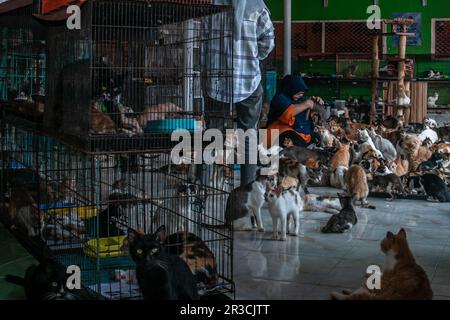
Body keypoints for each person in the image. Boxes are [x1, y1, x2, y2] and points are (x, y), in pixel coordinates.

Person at [205, 0, 275, 186]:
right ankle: (247, 189)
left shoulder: (212, 6)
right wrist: (253, 59)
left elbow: (201, 41)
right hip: (248, 81)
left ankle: (203, 186)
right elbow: (268, 42)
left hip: (215, 81)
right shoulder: (257, 7)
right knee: (248, 135)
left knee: (212, 133)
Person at [266, 74, 324, 148]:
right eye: (298, 92)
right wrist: (307, 103)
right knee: (295, 141)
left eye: (302, 93)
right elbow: (288, 113)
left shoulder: (298, 98)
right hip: (274, 131)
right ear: (291, 88)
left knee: (316, 138)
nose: (300, 95)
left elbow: (308, 110)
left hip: (294, 129)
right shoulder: (280, 98)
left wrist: (316, 102)